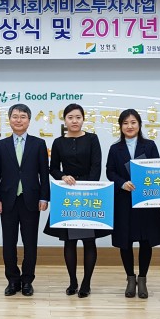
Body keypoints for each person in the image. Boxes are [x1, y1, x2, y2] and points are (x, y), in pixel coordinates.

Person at [43, 103, 110, 298]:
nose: (74, 121)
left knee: (89, 241)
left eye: (78, 117)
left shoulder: (92, 139)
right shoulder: (58, 142)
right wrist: (63, 176)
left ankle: (86, 283)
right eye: (70, 117)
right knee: (69, 241)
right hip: (67, 195)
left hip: (89, 195)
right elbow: (53, 168)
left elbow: (96, 167)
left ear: (83, 119)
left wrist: (86, 187)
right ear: (64, 120)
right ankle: (73, 281)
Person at [105, 109, 160, 299]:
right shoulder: (115, 148)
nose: (129, 126)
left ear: (139, 125)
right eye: (125, 123)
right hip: (124, 200)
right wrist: (122, 183)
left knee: (145, 240)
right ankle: (130, 279)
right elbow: (110, 171)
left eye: (133, 122)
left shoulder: (149, 145)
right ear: (120, 126)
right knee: (125, 241)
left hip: (146, 200)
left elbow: (156, 169)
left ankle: (142, 279)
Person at [0, 103, 50, 297]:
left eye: (23, 117)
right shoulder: (0, 145)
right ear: (9, 120)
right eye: (15, 116)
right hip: (7, 200)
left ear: (29, 121)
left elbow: (44, 173)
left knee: (30, 243)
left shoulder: (38, 144)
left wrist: (44, 197)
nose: (18, 120)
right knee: (8, 243)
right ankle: (12, 280)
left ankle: (27, 281)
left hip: (31, 199)